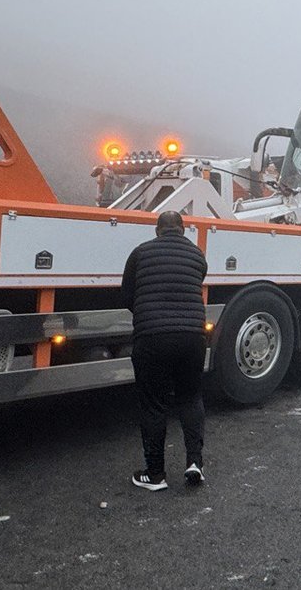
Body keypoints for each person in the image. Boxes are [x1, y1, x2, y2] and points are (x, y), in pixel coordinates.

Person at [121, 210, 209, 491]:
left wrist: (148, 314)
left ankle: (155, 474)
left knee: (154, 404)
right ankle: (194, 462)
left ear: (157, 230)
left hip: (152, 338)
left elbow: (127, 294)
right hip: (192, 337)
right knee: (190, 397)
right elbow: (195, 283)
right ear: (183, 229)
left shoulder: (140, 252)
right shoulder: (196, 255)